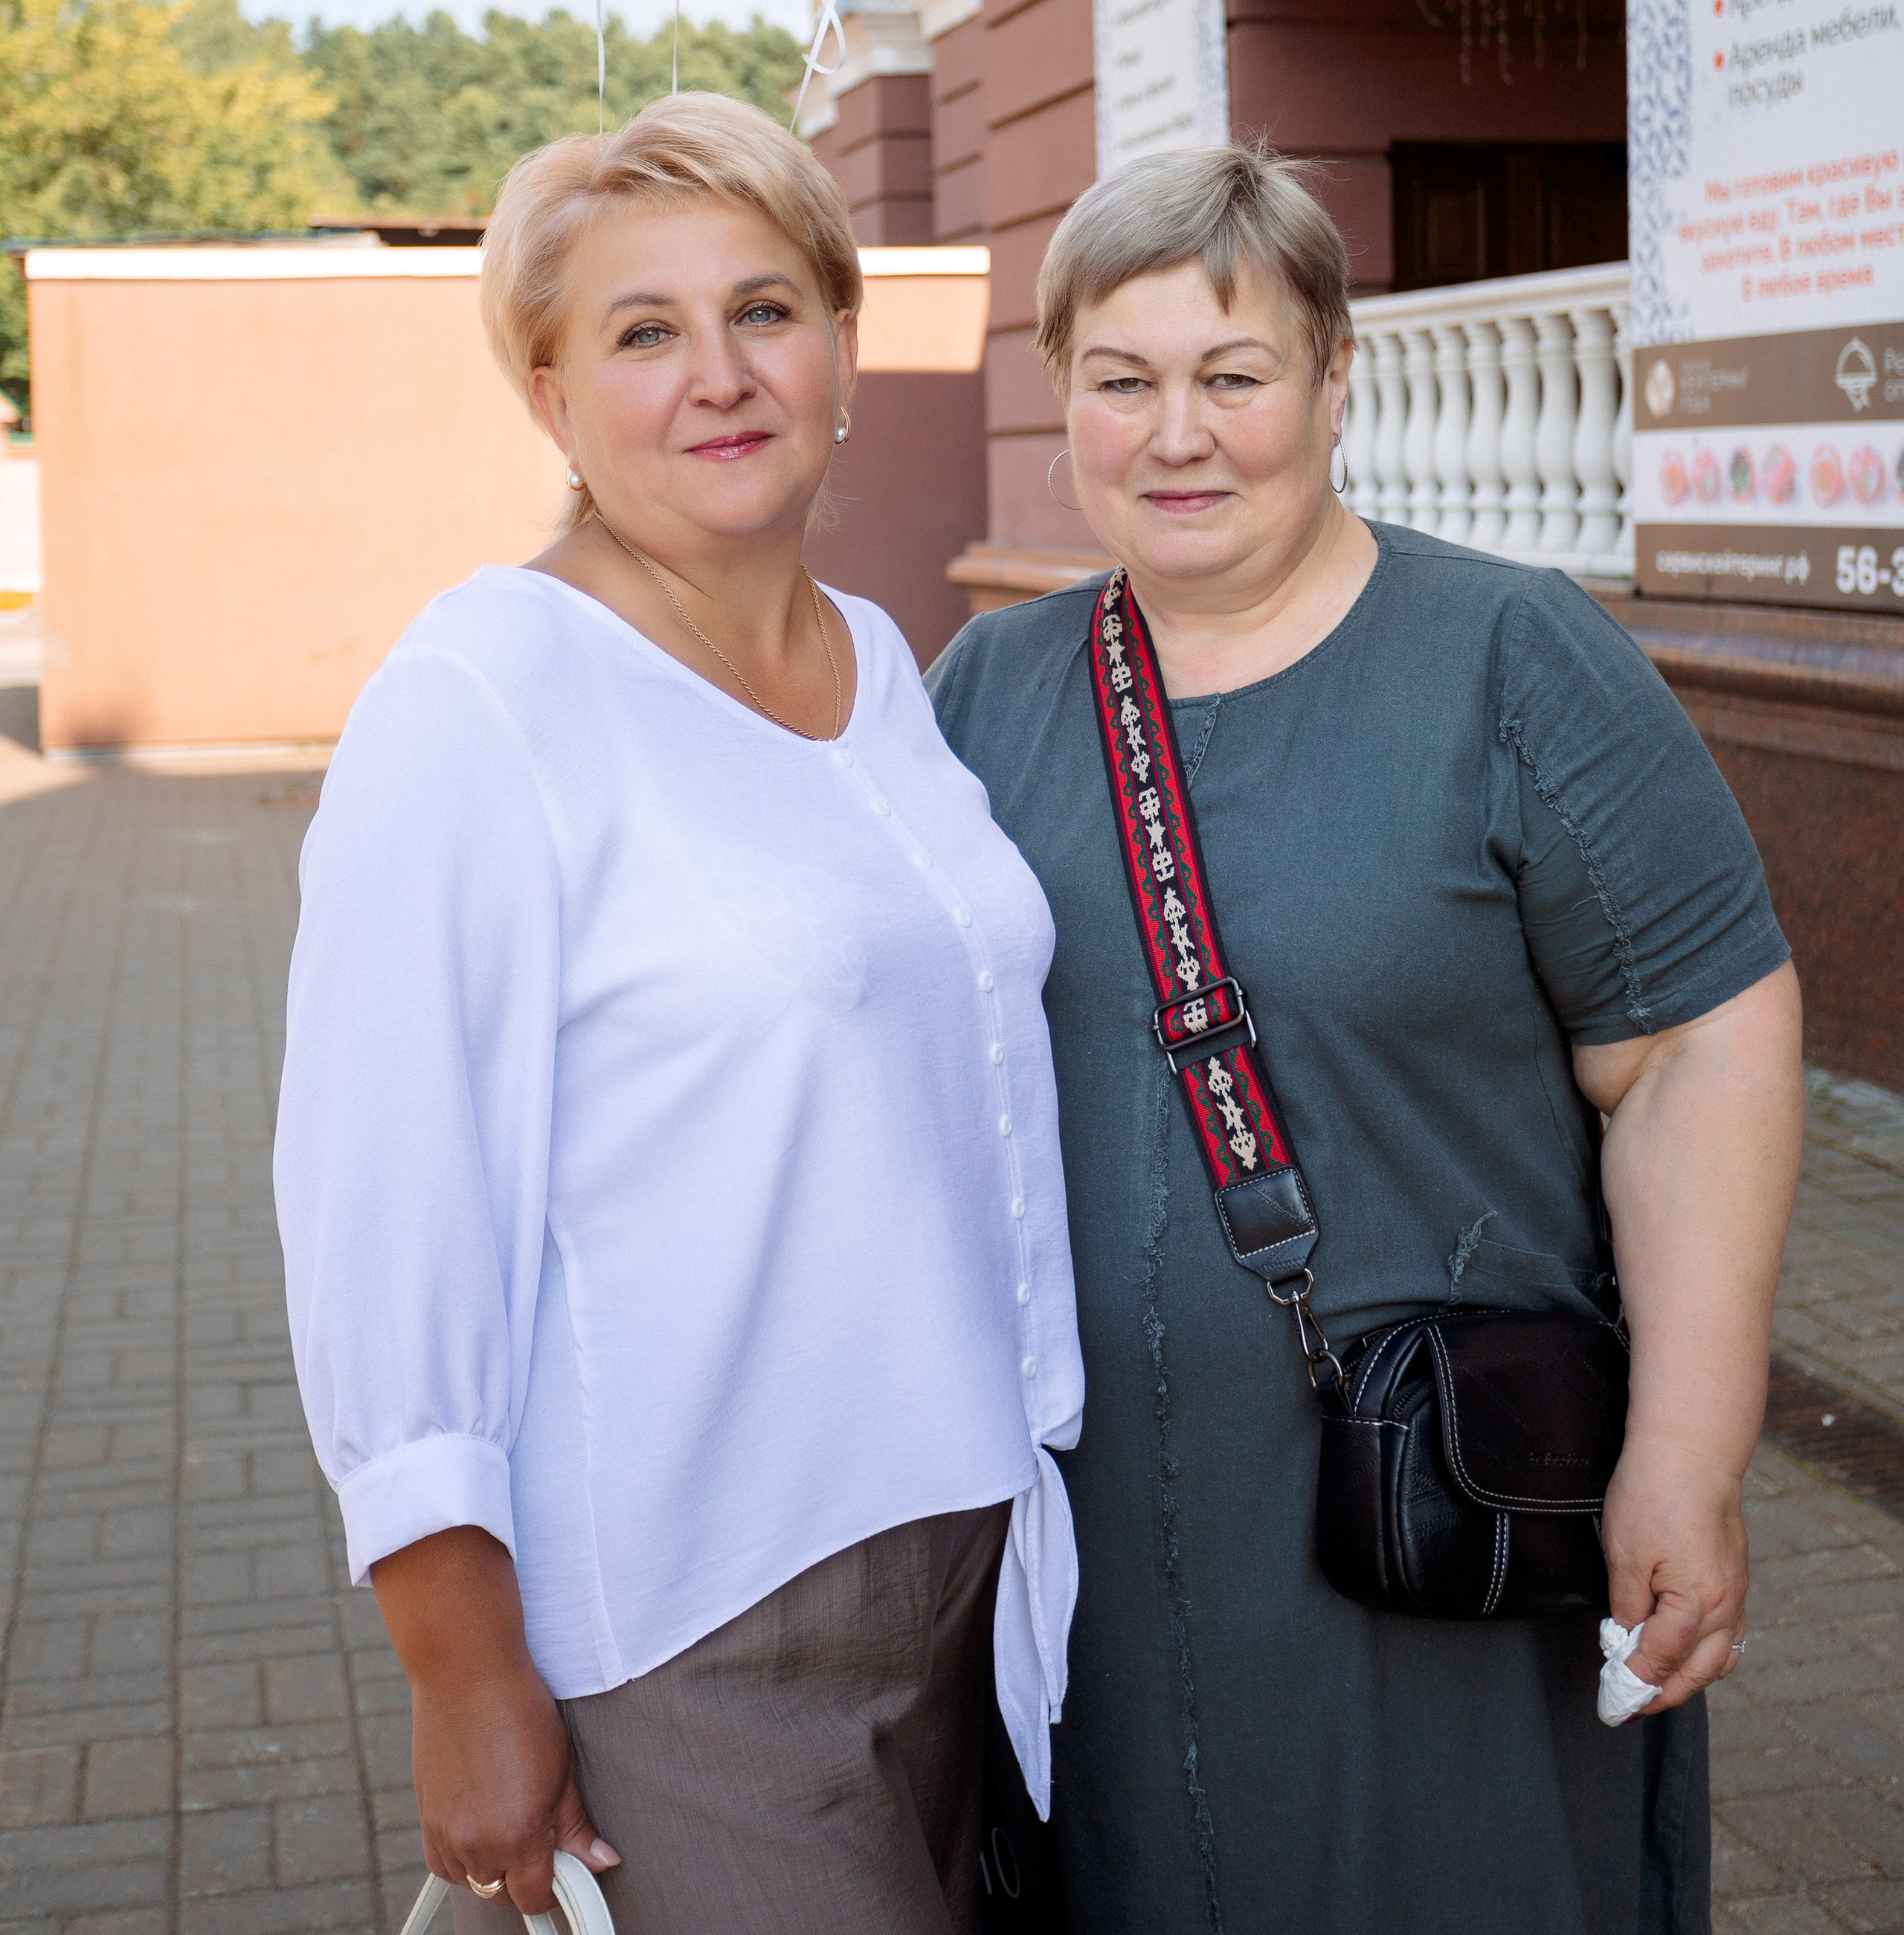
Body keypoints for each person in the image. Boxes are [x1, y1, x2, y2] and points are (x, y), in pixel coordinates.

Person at [926, 143, 1804, 1935]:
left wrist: (1686, 1455)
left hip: (1430, 1515)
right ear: (1063, 396)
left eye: (1231, 377)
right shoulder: (984, 694)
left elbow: (1696, 1047)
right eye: (1123, 380)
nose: (1178, 433)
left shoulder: (1507, 658)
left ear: (1331, 381)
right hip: (1087, 1545)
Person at [274, 94, 1083, 1935]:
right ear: (551, 399)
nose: (718, 374)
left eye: (766, 310)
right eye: (642, 333)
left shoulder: (878, 662)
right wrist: (461, 1668)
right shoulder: (483, 695)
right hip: (696, 1610)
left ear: (840, 353)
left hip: (966, 1560)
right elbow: (384, 1201)